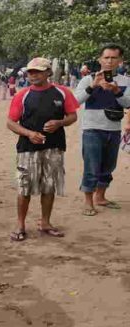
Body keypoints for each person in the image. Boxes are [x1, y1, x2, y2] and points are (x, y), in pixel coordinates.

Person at [7, 57, 79, 241]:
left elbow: (72, 116)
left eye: (38, 71)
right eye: (30, 72)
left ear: (49, 72)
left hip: (54, 148)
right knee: (24, 188)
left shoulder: (62, 93)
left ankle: (45, 223)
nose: (33, 75)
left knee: (49, 186)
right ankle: (20, 224)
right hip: (27, 149)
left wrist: (59, 123)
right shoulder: (21, 95)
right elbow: (11, 123)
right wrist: (29, 134)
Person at [74, 43, 130, 215]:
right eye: (106, 58)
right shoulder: (87, 79)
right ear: (100, 59)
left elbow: (128, 103)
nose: (109, 61)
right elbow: (76, 101)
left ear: (120, 61)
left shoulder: (126, 81)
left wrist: (116, 91)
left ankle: (100, 196)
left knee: (109, 165)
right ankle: (88, 201)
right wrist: (93, 86)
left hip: (113, 129)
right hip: (92, 128)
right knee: (91, 166)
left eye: (114, 58)